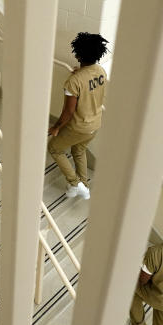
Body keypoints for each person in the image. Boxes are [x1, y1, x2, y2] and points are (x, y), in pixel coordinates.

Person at [47, 32, 109, 200]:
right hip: (95, 124)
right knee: (79, 150)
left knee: (54, 148)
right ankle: (84, 187)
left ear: (78, 53)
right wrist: (80, 72)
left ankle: (74, 183)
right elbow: (88, 80)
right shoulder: (100, 71)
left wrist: (56, 127)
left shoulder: (73, 82)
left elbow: (68, 112)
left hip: (78, 127)